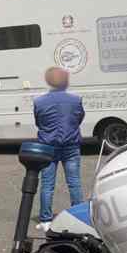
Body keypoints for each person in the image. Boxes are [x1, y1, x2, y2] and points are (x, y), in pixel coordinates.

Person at [34, 66, 85, 230]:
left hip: (48, 146)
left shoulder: (39, 101)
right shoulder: (76, 100)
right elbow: (79, 118)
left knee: (47, 184)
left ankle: (45, 220)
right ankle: (78, 216)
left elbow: (39, 122)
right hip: (71, 145)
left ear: (49, 81)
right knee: (74, 182)